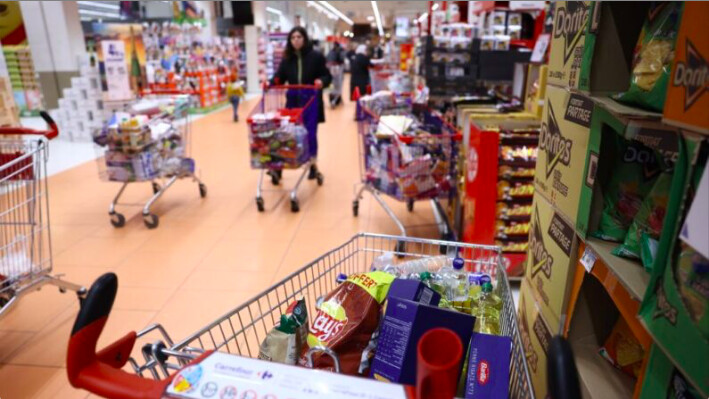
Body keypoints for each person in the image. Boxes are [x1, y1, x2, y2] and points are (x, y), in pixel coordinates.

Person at [271, 26, 331, 179]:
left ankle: (312, 164)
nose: (296, 40)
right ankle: (279, 167)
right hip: (292, 101)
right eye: (293, 38)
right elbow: (279, 76)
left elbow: (327, 76)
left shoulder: (316, 56)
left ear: (304, 39)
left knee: (309, 134)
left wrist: (321, 81)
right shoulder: (286, 59)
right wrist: (272, 82)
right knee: (286, 133)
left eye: (299, 37)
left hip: (310, 100)